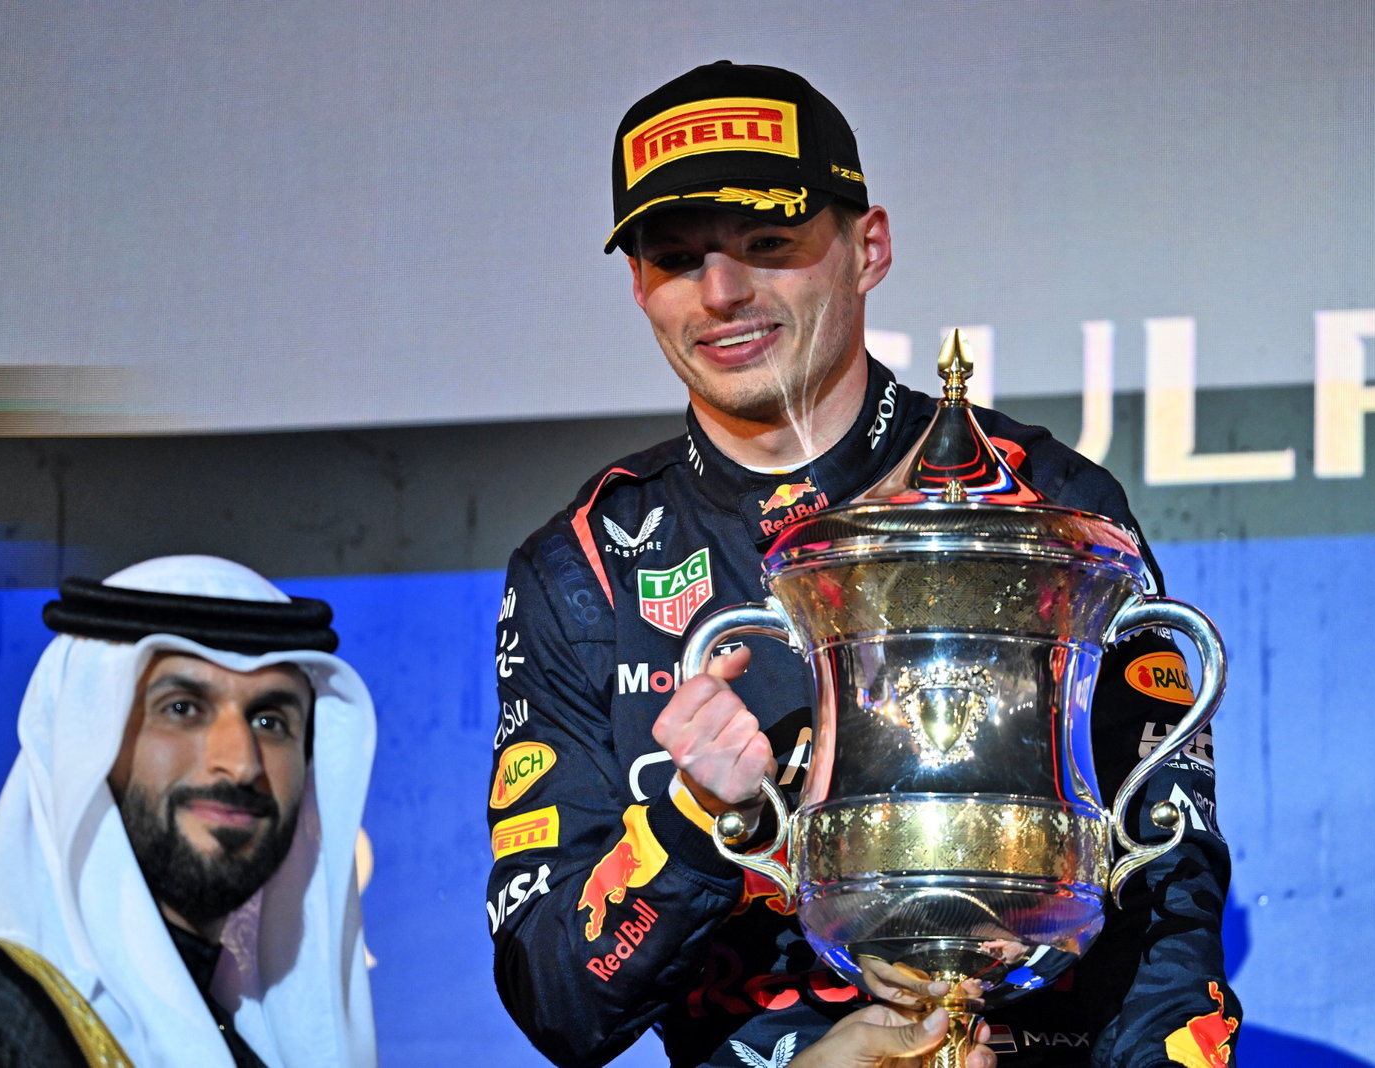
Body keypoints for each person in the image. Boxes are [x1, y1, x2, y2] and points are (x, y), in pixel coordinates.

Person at [488, 61, 1239, 1068]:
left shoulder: (1047, 506)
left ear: (868, 248)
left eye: (769, 244)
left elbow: (1167, 892)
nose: (723, 293)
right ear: (638, 286)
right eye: (677, 258)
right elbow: (555, 1002)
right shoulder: (583, 571)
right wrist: (695, 821)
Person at [0, 555, 378, 1067]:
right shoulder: (10, 1025)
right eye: (182, 709)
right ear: (86, 740)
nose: (240, 764)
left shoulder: (243, 1038)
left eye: (269, 721)